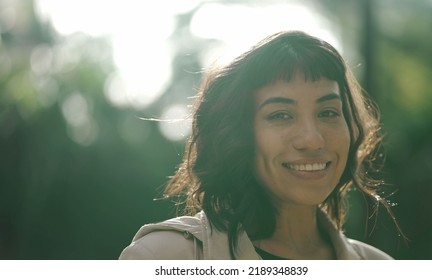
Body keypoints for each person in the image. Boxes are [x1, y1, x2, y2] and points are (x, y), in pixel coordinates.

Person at [119, 30, 400, 260]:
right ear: (237, 135)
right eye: (281, 115)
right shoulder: (162, 257)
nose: (313, 139)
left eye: (328, 112)